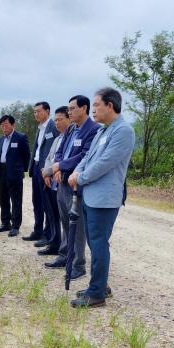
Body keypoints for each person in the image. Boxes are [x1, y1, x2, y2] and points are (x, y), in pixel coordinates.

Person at [68, 88, 135, 308]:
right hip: (91, 195)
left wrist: (81, 177)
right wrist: (76, 172)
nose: (93, 109)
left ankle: (96, 293)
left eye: (97, 105)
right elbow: (88, 156)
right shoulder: (102, 131)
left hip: (105, 198)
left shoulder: (123, 131)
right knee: (94, 242)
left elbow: (106, 162)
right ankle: (100, 283)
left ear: (110, 105)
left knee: (98, 244)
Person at [51, 95, 101, 280]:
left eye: (72, 109)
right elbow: (60, 151)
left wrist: (60, 166)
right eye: (69, 109)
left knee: (77, 226)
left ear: (84, 108)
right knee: (65, 221)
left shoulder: (93, 130)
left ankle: (78, 265)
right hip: (62, 182)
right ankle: (65, 256)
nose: (69, 112)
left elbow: (84, 156)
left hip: (76, 185)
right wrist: (57, 166)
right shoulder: (71, 129)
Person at [23, 102, 60, 249]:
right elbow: (37, 149)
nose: (36, 114)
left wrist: (51, 171)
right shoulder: (40, 128)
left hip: (47, 170)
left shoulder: (53, 126)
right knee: (36, 202)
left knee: (48, 204)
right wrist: (31, 167)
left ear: (47, 111)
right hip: (38, 168)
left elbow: (57, 149)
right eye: (34, 112)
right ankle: (37, 231)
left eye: (38, 111)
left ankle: (48, 234)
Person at [41, 106, 70, 266]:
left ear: (69, 119)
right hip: (50, 181)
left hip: (61, 182)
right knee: (52, 215)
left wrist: (51, 172)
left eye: (60, 119)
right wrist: (46, 173)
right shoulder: (58, 138)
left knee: (64, 219)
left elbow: (62, 161)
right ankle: (54, 243)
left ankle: (65, 252)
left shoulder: (70, 138)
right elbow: (49, 158)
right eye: (56, 119)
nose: (57, 123)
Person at [0, 115, 30, 237]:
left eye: (6, 124)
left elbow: (26, 156)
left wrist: (22, 170)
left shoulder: (20, 137)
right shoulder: (0, 139)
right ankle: (5, 223)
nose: (4, 127)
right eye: (2, 125)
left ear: (13, 125)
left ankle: (15, 226)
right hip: (2, 172)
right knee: (3, 198)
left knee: (16, 200)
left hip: (15, 173)